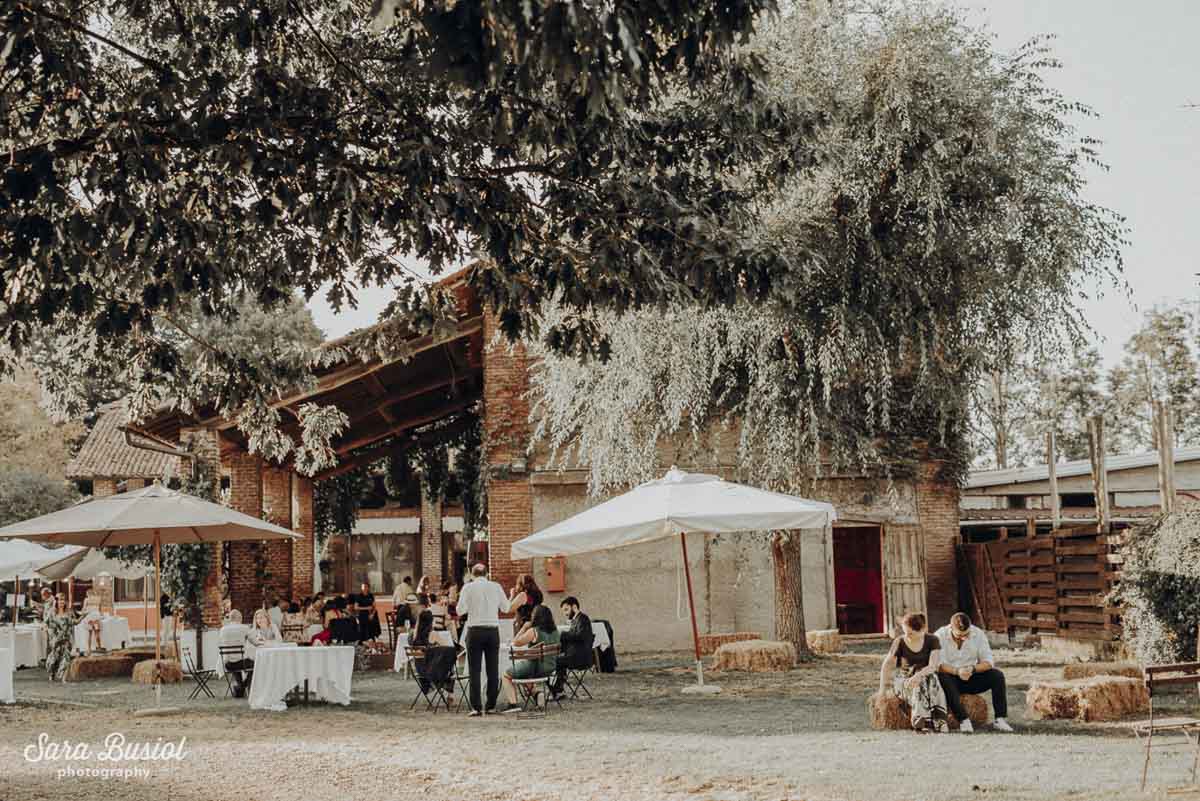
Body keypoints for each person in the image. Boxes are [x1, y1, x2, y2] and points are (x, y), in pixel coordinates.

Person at [934, 612, 1014, 733]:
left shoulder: (978, 634)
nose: (964, 638)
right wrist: (957, 671)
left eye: (967, 634)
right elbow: (937, 665)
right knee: (942, 676)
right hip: (950, 679)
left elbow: (988, 662)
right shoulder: (939, 635)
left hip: (971, 676)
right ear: (951, 628)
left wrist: (972, 668)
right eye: (960, 636)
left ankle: (1000, 720)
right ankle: (963, 720)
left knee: (997, 675)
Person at [454, 563, 511, 716]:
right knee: (493, 668)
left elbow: (460, 610)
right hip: (492, 630)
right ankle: (491, 705)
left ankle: (476, 707)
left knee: (475, 669)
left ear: (472, 575)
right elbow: (506, 608)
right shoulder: (496, 586)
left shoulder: (468, 588)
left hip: (474, 630)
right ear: (487, 574)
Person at [878, 612, 949, 733]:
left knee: (932, 679)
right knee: (919, 685)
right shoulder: (899, 642)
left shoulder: (932, 640)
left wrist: (918, 675)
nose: (907, 635)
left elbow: (933, 666)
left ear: (922, 630)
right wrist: (882, 690)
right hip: (904, 680)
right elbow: (887, 665)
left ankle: (939, 720)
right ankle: (922, 722)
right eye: (905, 632)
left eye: (910, 633)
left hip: (925, 677)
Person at [499, 604, 560, 713]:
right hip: (550, 667)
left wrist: (524, 627)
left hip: (536, 667)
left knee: (506, 675)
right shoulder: (556, 631)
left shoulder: (534, 631)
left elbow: (516, 642)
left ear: (536, 617)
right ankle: (537, 695)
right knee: (522, 672)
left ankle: (513, 704)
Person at [410, 595, 456, 700]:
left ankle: (447, 693)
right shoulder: (433, 635)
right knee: (449, 662)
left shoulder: (414, 636)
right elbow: (448, 647)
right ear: (430, 622)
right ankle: (450, 694)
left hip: (420, 670)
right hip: (431, 671)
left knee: (441, 661)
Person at [552, 596, 594, 697]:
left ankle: (557, 690)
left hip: (581, 658)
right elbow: (573, 637)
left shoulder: (583, 619)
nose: (565, 613)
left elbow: (580, 636)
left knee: (556, 661)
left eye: (567, 609)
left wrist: (563, 634)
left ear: (574, 607)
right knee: (557, 659)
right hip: (576, 655)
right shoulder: (577, 620)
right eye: (564, 611)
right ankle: (558, 689)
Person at [44, 593, 76, 682]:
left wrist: (83, 616)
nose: (62, 602)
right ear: (57, 602)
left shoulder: (69, 612)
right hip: (55, 637)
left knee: (66, 656)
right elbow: (46, 624)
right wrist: (49, 633)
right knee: (54, 657)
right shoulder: (52, 612)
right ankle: (52, 674)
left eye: (63, 600)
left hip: (66, 637)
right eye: (60, 600)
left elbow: (74, 622)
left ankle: (64, 678)